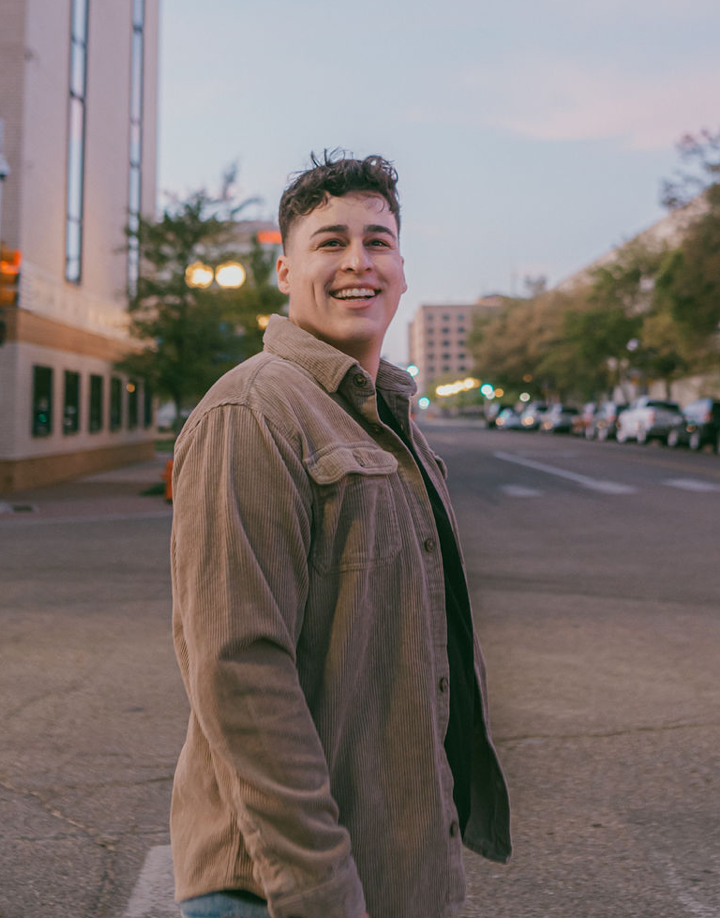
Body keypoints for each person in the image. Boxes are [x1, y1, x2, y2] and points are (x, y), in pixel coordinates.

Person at [169, 151, 510, 918]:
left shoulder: (389, 419)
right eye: (329, 242)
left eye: (377, 241)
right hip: (278, 890)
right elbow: (238, 669)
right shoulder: (252, 414)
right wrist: (320, 888)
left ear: (402, 267)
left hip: (391, 873)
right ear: (284, 272)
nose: (358, 262)